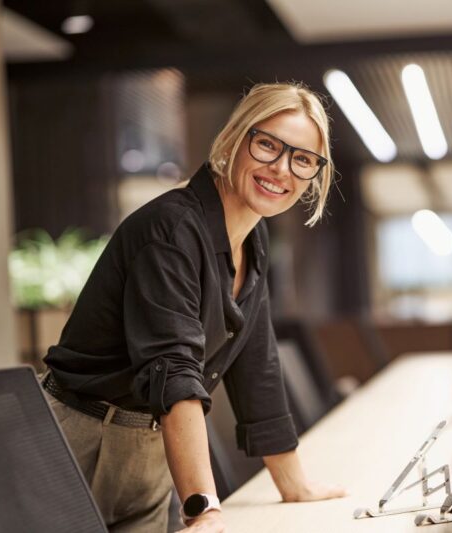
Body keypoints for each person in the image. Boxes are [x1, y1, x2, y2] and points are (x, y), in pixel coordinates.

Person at [42, 82, 346, 532]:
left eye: (302, 158)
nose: (281, 169)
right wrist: (205, 510)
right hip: (79, 441)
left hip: (146, 446)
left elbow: (256, 365)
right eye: (267, 145)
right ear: (234, 139)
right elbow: (174, 371)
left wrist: (294, 484)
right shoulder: (172, 231)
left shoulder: (252, 237)